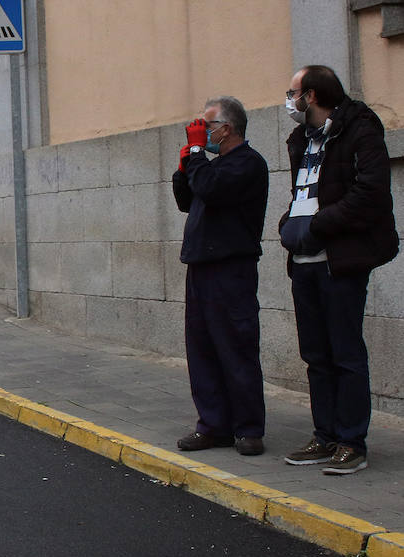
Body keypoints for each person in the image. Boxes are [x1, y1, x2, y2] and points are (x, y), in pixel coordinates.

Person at [278, 65, 399, 475]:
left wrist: (316, 225)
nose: (289, 99)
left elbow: (370, 192)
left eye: (293, 91)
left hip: (340, 260)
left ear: (311, 95)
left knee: (345, 352)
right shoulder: (300, 139)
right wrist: (288, 224)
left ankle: (352, 442)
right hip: (305, 260)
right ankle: (324, 435)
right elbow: (304, 193)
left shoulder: (360, 129)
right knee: (315, 355)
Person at [171, 96, 269, 456]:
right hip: (201, 266)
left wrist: (198, 154)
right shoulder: (212, 166)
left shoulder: (247, 164)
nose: (202, 132)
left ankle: (248, 428)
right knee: (203, 349)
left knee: (236, 347)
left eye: (207, 126)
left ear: (227, 129)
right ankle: (214, 424)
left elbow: (212, 188)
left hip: (232, 268)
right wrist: (186, 167)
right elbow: (189, 200)